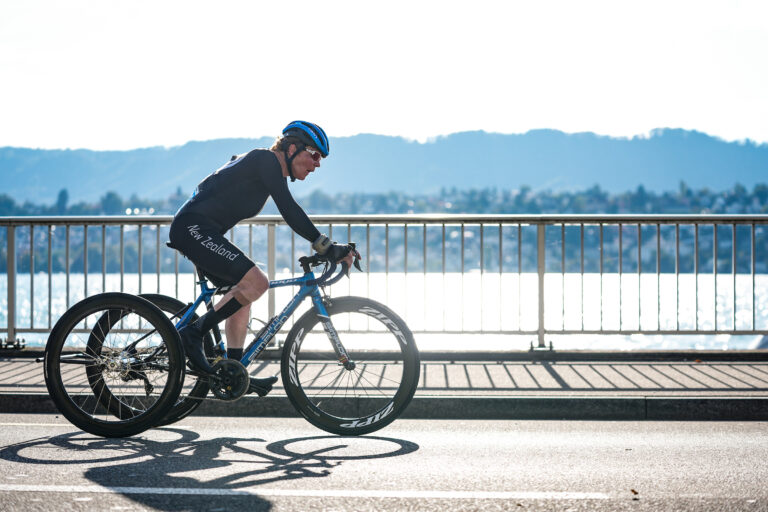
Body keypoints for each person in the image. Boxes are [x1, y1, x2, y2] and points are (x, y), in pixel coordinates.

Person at [168, 121, 357, 395]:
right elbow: (289, 209)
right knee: (257, 283)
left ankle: (232, 370)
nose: (317, 164)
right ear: (292, 148)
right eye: (314, 155)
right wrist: (327, 247)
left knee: (244, 293)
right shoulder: (265, 159)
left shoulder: (267, 171)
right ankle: (193, 333)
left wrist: (327, 247)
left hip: (201, 229)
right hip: (192, 228)